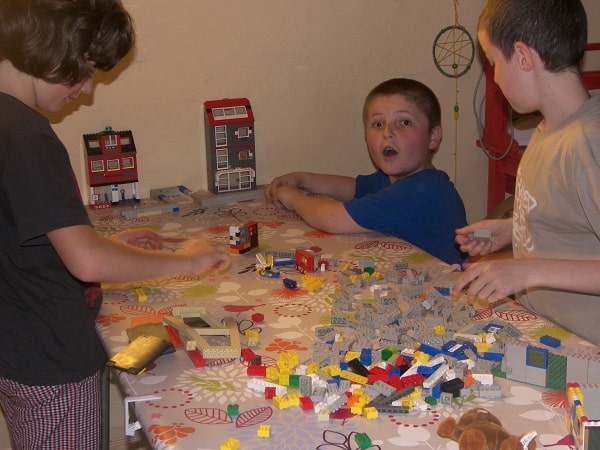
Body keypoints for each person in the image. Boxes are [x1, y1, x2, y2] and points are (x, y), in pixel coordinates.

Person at [0, 1, 229, 449]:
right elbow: (85, 261)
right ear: (51, 45)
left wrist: (111, 246)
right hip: (53, 360)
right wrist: (183, 261)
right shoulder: (29, 137)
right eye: (84, 71)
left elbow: (24, 236)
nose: (86, 90)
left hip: (19, 347)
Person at [452, 0, 600, 346]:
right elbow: (572, 220)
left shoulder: (588, 146)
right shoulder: (549, 127)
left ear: (522, 56)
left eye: (493, 64)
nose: (495, 78)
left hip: (587, 350)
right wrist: (514, 229)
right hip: (548, 330)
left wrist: (528, 269)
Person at [265, 78, 467, 265]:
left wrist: (293, 198)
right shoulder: (398, 180)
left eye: (404, 122)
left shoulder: (423, 191)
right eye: (378, 124)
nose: (387, 132)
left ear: (433, 137)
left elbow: (334, 219)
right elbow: (354, 187)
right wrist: (302, 179)